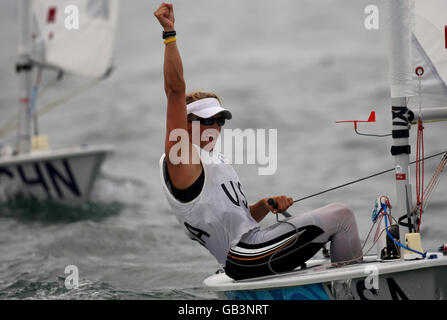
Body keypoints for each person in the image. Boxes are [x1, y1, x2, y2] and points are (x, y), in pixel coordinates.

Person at [155, 3, 363, 280]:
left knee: (339, 218)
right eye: (207, 120)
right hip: (245, 256)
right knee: (343, 216)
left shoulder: (210, 162)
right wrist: (170, 35)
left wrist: (264, 205)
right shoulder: (181, 159)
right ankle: (359, 290)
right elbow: (175, 90)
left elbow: (239, 224)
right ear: (186, 123)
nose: (215, 127)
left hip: (248, 251)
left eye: (220, 120)